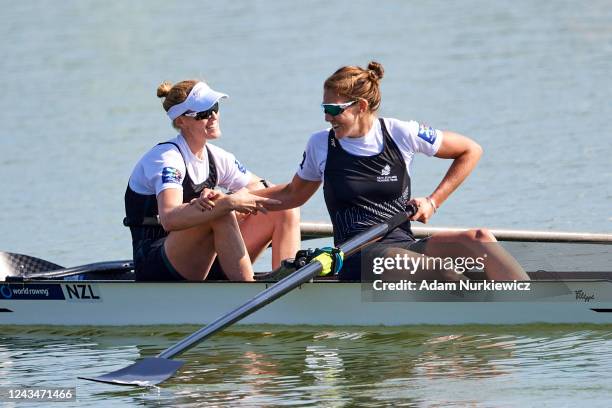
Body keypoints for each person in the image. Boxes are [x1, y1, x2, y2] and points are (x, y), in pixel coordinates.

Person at [237, 61, 529, 281]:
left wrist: (434, 200)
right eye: (324, 108)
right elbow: (291, 194)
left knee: (478, 239)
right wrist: (235, 201)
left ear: (360, 106)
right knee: (435, 271)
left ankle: (534, 301)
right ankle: (483, 313)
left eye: (334, 109)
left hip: (404, 243)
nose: (327, 116)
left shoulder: (401, 133)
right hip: (355, 256)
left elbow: (470, 150)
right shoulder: (320, 145)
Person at [124, 79, 300, 281]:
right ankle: (249, 290)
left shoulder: (217, 157)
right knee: (219, 209)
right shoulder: (167, 158)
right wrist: (228, 202)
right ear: (181, 121)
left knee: (283, 208)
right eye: (203, 114)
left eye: (215, 108)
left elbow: (263, 188)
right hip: (156, 264)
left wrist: (239, 197)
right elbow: (169, 218)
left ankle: (289, 283)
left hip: (205, 258)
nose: (214, 116)